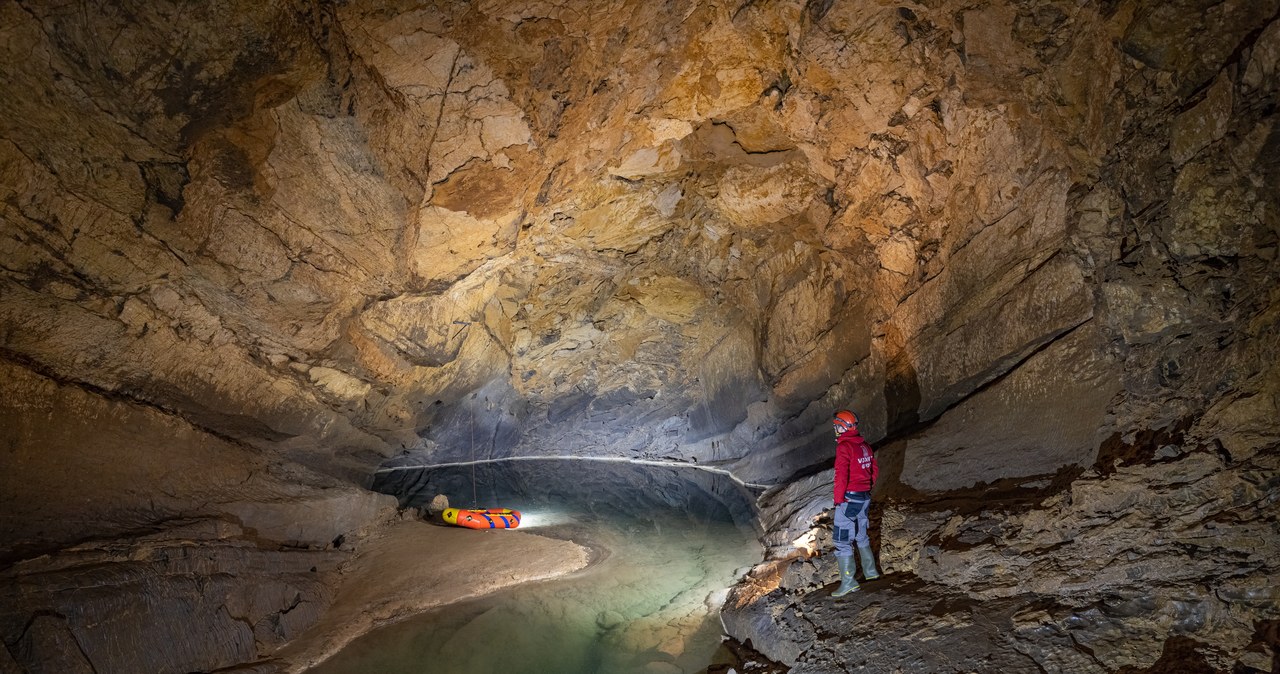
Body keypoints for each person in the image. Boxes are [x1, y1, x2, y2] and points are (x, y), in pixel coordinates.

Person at [830, 409, 880, 597]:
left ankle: (849, 582)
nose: (835, 429)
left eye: (836, 426)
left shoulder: (844, 447)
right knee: (861, 535)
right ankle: (871, 573)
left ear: (842, 427)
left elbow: (841, 476)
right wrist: (866, 488)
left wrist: (838, 500)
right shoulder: (865, 446)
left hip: (849, 498)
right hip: (864, 496)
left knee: (842, 539)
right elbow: (873, 470)